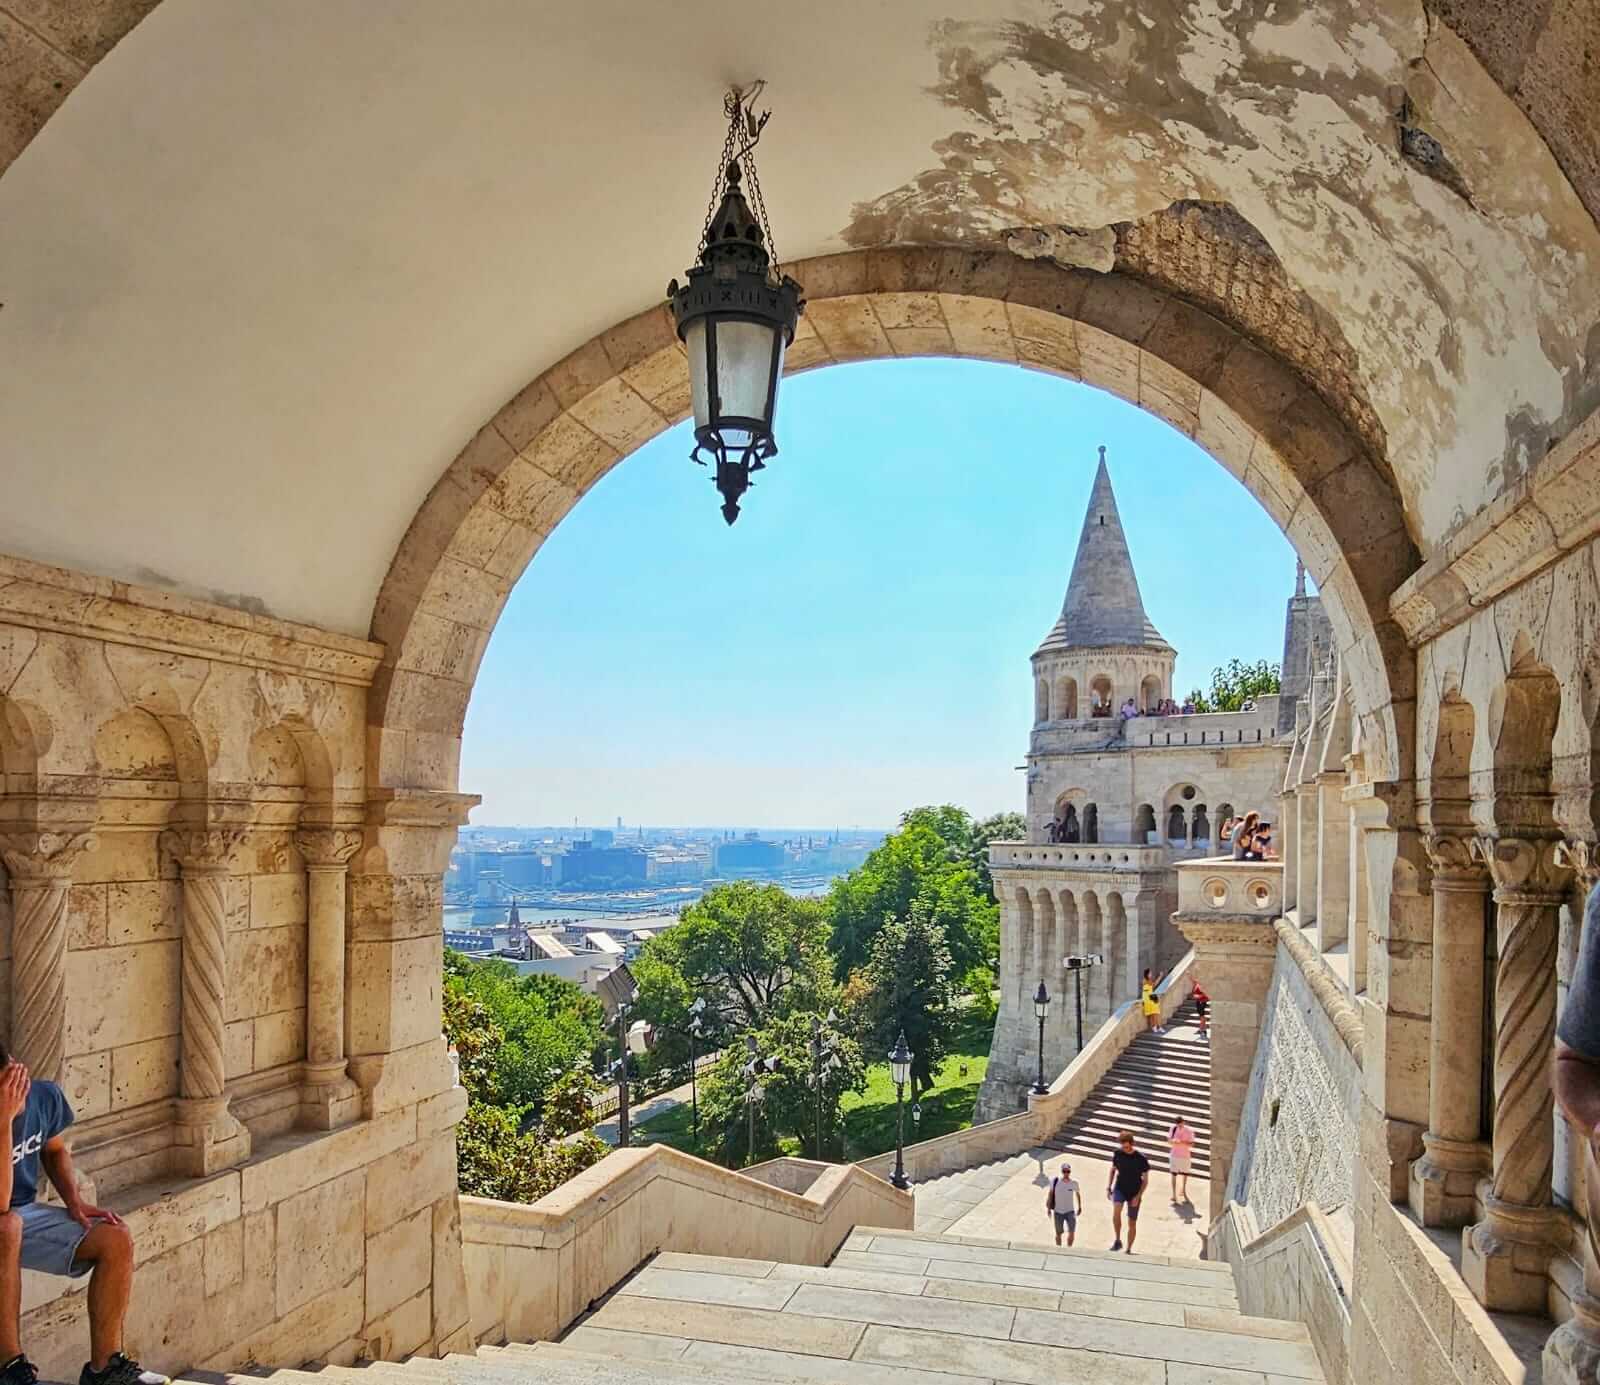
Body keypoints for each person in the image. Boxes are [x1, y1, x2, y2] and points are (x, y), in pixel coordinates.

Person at [0, 1047, 167, 1385]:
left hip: (22, 1216)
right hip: (5, 1216)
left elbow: (55, 1148)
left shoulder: (42, 1096)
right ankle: (9, 1368)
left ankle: (104, 1369)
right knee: (8, 1225)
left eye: (14, 1079)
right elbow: (1, 1203)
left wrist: (73, 1200)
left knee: (114, 1237)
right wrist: (3, 1121)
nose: (17, 1090)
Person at [1108, 1130, 1150, 1253]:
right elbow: (1113, 1169)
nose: (1125, 1149)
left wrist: (1138, 1196)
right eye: (1123, 1146)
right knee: (1116, 1211)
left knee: (1132, 1222)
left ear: (1132, 1144)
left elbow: (1145, 1180)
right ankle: (1117, 1240)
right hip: (1120, 1187)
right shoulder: (1118, 1154)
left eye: (1127, 1146)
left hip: (1134, 1191)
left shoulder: (1141, 1159)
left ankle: (1128, 1248)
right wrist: (1108, 1186)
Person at [1045, 1161, 1083, 1247]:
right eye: (1064, 1171)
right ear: (1062, 1171)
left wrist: (1080, 1207)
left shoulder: (1074, 1183)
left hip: (1070, 1211)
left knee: (1072, 1232)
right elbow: (1050, 1194)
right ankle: (1059, 1249)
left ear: (1070, 1172)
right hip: (1058, 1212)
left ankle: (1068, 1249)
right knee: (1058, 1233)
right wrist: (1048, 1209)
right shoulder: (1055, 1181)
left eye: (1068, 1171)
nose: (1066, 1173)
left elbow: (1078, 1194)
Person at [1168, 1115, 1196, 1203]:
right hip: (1174, 1154)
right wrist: (1173, 1141)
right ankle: (1173, 1194)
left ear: (1183, 1122)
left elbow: (1192, 1144)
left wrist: (1181, 1142)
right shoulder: (1173, 1128)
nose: (1179, 1126)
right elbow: (1168, 1140)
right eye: (1178, 1124)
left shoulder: (1189, 1131)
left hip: (1185, 1155)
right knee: (1173, 1174)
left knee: (1185, 1174)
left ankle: (1183, 1189)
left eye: (1181, 1124)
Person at [1141, 968, 1163, 1034]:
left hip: (1151, 996)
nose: (1151, 974)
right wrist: (1159, 976)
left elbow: (1154, 985)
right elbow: (1153, 984)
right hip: (1147, 997)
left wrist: (1160, 977)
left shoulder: (1149, 980)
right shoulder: (1145, 980)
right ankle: (1154, 1027)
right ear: (1147, 974)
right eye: (1150, 973)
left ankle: (1158, 1026)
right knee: (1152, 1013)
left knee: (1156, 1012)